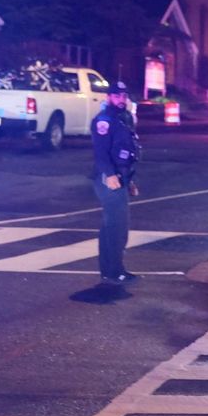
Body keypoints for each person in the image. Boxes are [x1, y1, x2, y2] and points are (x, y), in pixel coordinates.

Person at [91, 81, 141, 283]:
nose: (121, 99)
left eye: (124, 96)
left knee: (111, 226)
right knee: (117, 227)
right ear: (108, 97)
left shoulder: (124, 118)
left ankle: (110, 270)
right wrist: (110, 175)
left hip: (122, 177)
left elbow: (128, 152)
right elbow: (101, 152)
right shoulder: (104, 121)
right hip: (108, 179)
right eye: (117, 96)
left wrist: (130, 181)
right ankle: (114, 271)